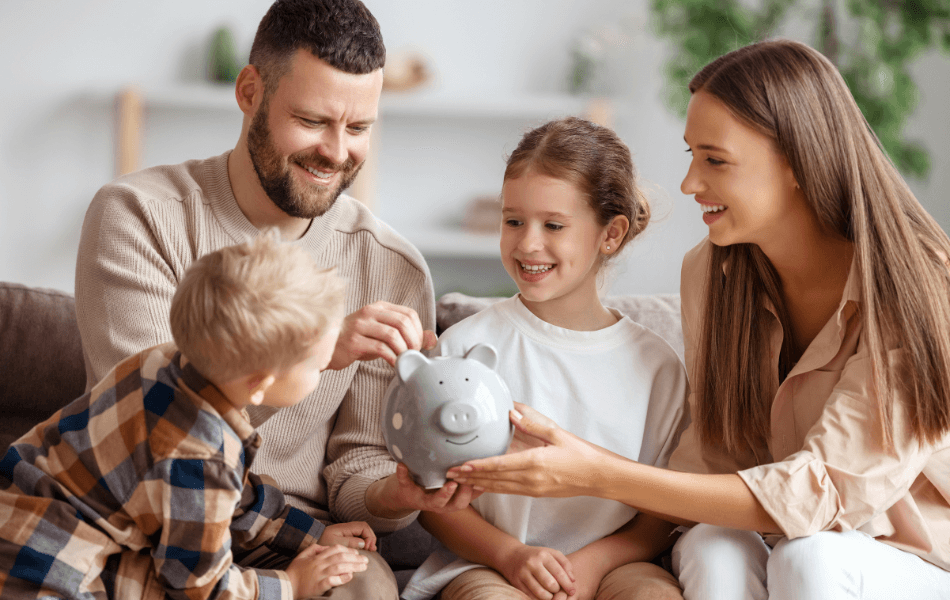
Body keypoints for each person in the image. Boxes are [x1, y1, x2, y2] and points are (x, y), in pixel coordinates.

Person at [444, 39, 950, 599]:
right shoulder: (715, 274)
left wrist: (592, 471)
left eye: (715, 160)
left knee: (811, 562)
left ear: (797, 162)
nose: (688, 184)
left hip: (911, 559)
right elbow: (711, 465)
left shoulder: (917, 279)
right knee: (711, 544)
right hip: (787, 541)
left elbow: (820, 492)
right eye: (691, 155)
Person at [75, 1, 476, 597]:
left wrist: (400, 491)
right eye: (313, 121)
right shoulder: (140, 217)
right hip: (151, 516)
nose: (338, 153)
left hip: (296, 530)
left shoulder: (390, 266)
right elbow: (149, 427)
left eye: (359, 128)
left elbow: (354, 472)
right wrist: (312, 349)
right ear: (248, 91)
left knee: (366, 586)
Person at [400, 117, 688, 600]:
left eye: (553, 225)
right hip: (486, 563)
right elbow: (432, 499)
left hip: (614, 563)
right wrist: (510, 555)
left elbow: (661, 511)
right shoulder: (463, 347)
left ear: (611, 234)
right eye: (514, 221)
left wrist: (593, 564)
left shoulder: (656, 366)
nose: (528, 243)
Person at [0, 233, 379, 599]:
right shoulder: (197, 457)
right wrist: (292, 584)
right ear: (260, 384)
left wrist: (311, 534)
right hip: (44, 574)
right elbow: (201, 587)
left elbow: (233, 497)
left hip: (22, 509)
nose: (328, 365)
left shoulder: (163, 361)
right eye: (318, 364)